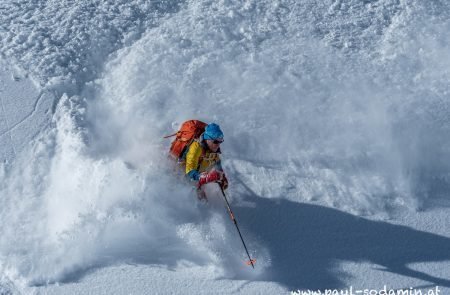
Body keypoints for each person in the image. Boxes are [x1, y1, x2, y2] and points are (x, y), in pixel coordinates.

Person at [181, 123, 228, 199]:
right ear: (207, 139)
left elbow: (218, 164)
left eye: (220, 141)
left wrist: (222, 178)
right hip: (183, 176)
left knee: (203, 201)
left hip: (197, 180)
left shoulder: (213, 151)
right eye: (216, 142)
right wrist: (203, 177)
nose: (218, 144)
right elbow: (189, 171)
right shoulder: (196, 148)